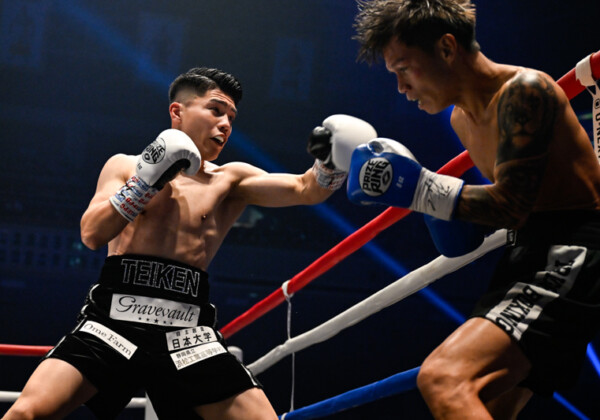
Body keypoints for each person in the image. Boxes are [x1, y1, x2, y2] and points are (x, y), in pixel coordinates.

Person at [2, 67, 377, 419]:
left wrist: (332, 162)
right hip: (113, 321)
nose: (225, 124)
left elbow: (304, 189)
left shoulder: (230, 179)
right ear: (177, 111)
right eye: (215, 110)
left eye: (231, 117)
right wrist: (146, 181)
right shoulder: (124, 165)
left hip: (188, 332)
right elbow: (91, 234)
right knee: (25, 413)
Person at [350, 1, 600, 419]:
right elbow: (512, 205)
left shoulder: (524, 92)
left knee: (444, 378)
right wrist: (447, 209)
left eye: (404, 68)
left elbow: (513, 203)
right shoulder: (460, 121)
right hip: (528, 254)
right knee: (484, 405)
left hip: (576, 253)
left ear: (447, 48)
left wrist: (420, 189)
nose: (401, 87)